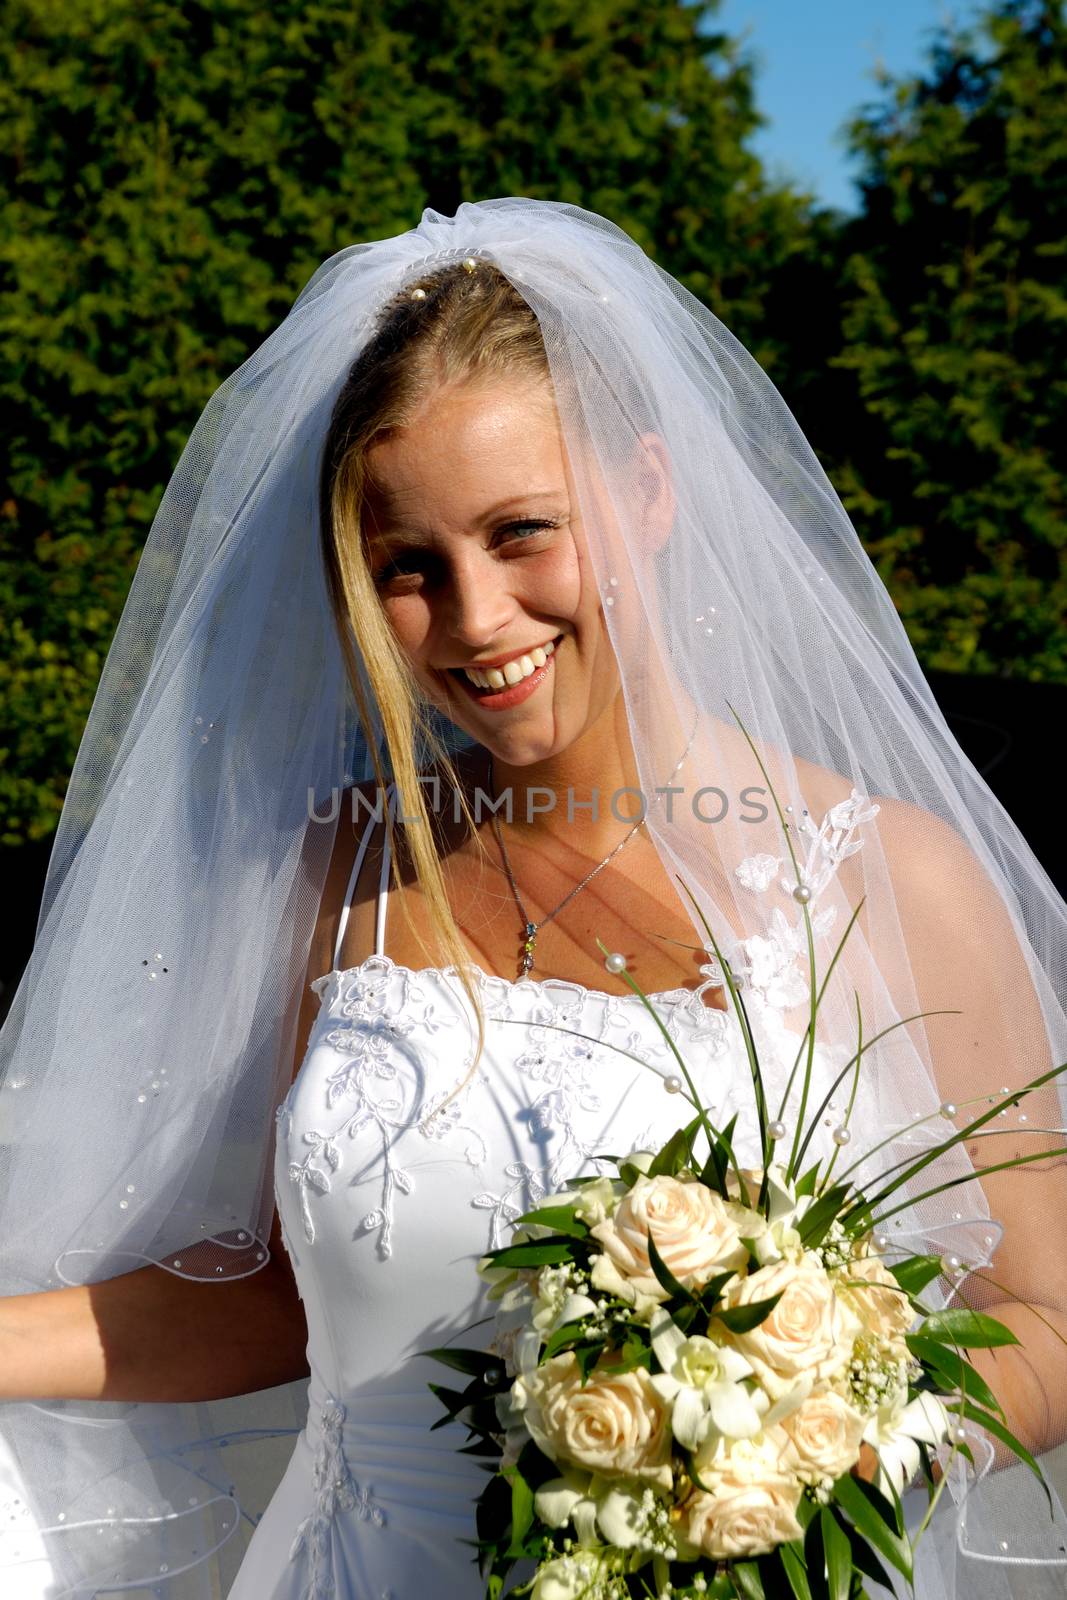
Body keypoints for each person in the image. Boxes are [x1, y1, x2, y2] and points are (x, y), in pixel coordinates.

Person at [1, 199, 1065, 1600]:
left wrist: (821, 1430)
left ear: (651, 492)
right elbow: (282, 1303)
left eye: (523, 532)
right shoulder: (345, 873)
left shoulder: (889, 878)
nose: (480, 617)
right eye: (409, 569)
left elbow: (1048, 1313)